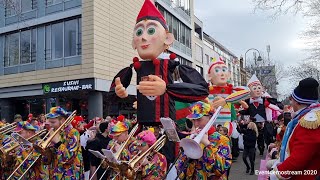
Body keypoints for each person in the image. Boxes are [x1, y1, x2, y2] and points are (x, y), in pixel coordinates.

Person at [110, 0, 209, 126]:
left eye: (151, 31)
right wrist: (119, 94)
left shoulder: (174, 67)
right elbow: (111, 95)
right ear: (134, 43)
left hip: (167, 127)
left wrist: (167, 89)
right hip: (142, 127)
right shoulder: (134, 68)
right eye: (139, 32)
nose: (143, 38)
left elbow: (202, 90)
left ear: (167, 39)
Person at [270, 77, 320, 180]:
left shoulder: (310, 121)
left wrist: (276, 174)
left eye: (292, 99)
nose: (291, 103)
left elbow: (299, 159)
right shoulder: (307, 116)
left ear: (298, 102)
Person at [176, 100, 232, 180]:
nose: (195, 124)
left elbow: (220, 169)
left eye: (199, 120)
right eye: (193, 120)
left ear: (210, 118)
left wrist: (207, 144)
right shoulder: (190, 138)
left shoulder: (222, 140)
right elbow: (179, 169)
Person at [46, 106, 84, 179]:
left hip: (69, 175)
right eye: (49, 122)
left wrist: (57, 143)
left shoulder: (73, 133)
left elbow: (68, 158)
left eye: (53, 122)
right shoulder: (56, 132)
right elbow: (47, 161)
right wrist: (47, 150)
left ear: (63, 121)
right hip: (56, 174)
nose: (50, 125)